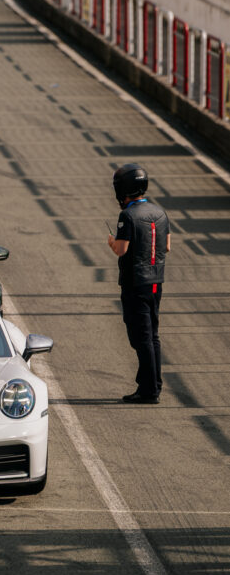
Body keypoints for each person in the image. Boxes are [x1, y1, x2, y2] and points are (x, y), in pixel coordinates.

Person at [107, 164, 170, 404]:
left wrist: (111, 241)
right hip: (156, 281)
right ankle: (153, 383)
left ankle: (148, 390)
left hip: (136, 282)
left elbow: (121, 249)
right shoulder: (160, 212)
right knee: (152, 335)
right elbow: (167, 246)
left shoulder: (127, 215)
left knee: (140, 337)